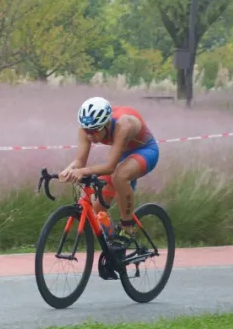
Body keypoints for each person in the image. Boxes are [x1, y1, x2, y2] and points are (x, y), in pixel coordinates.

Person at [58, 96, 160, 246]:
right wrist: (68, 171)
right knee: (97, 204)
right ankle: (114, 245)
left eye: (94, 131)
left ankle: (127, 227)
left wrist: (83, 172)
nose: (90, 135)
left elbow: (110, 167)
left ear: (106, 124)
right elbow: (80, 162)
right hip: (123, 153)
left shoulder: (123, 124)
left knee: (119, 175)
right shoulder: (87, 127)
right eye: (87, 131)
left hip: (145, 150)